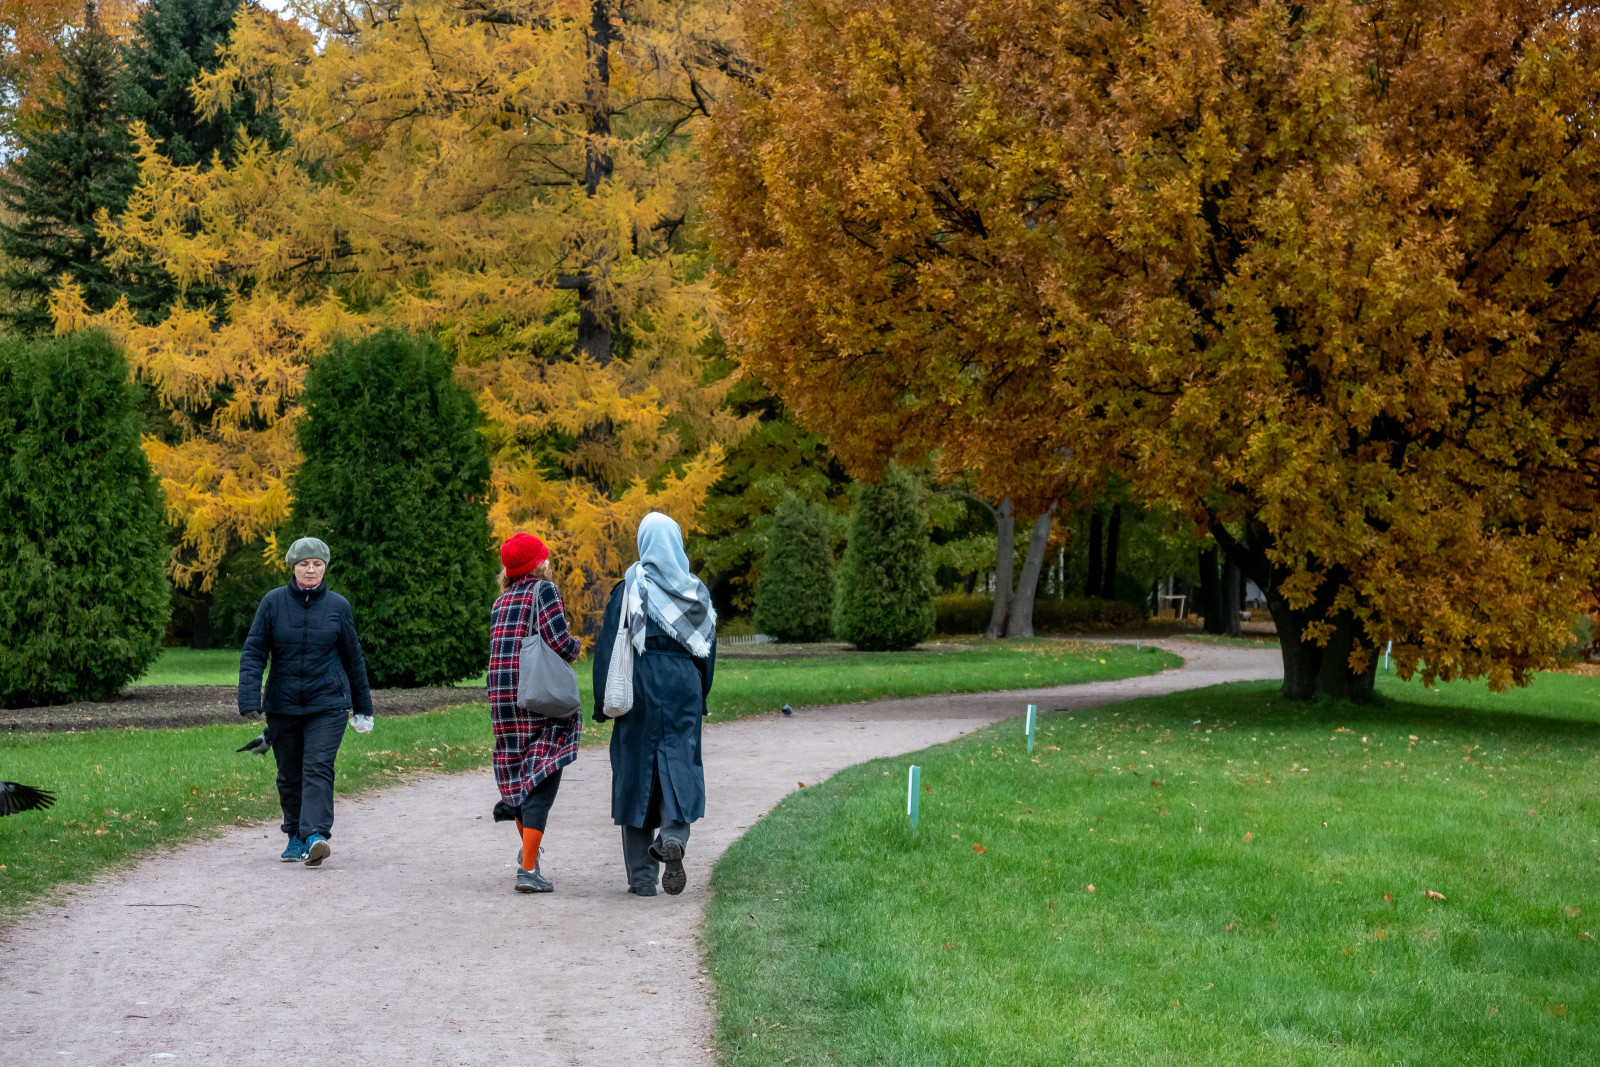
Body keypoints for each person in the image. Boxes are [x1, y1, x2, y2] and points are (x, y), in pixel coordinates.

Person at [592, 512, 716, 897]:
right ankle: (674, 835)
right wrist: (701, 696)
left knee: (635, 770)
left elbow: (610, 648)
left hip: (639, 682)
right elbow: (707, 653)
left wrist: (602, 702)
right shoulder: (696, 592)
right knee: (679, 762)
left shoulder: (630, 588)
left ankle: (642, 879)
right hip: (683, 685)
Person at [238, 536, 373, 866]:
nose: (311, 570)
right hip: (283, 704)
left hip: (328, 703)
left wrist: (363, 707)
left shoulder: (338, 607)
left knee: (317, 767)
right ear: (293, 567)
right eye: (304, 564)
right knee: (289, 773)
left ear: (325, 567)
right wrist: (248, 696)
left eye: (317, 564)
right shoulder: (273, 603)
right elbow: (254, 650)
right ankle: (295, 835)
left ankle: (315, 835)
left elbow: (353, 659)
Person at [489, 532, 582, 893]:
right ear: (538, 563)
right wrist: (575, 645)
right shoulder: (544, 591)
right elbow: (560, 643)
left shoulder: (501, 601)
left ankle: (530, 856)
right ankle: (528, 868)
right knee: (544, 771)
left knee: (519, 770)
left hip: (503, 696)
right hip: (536, 695)